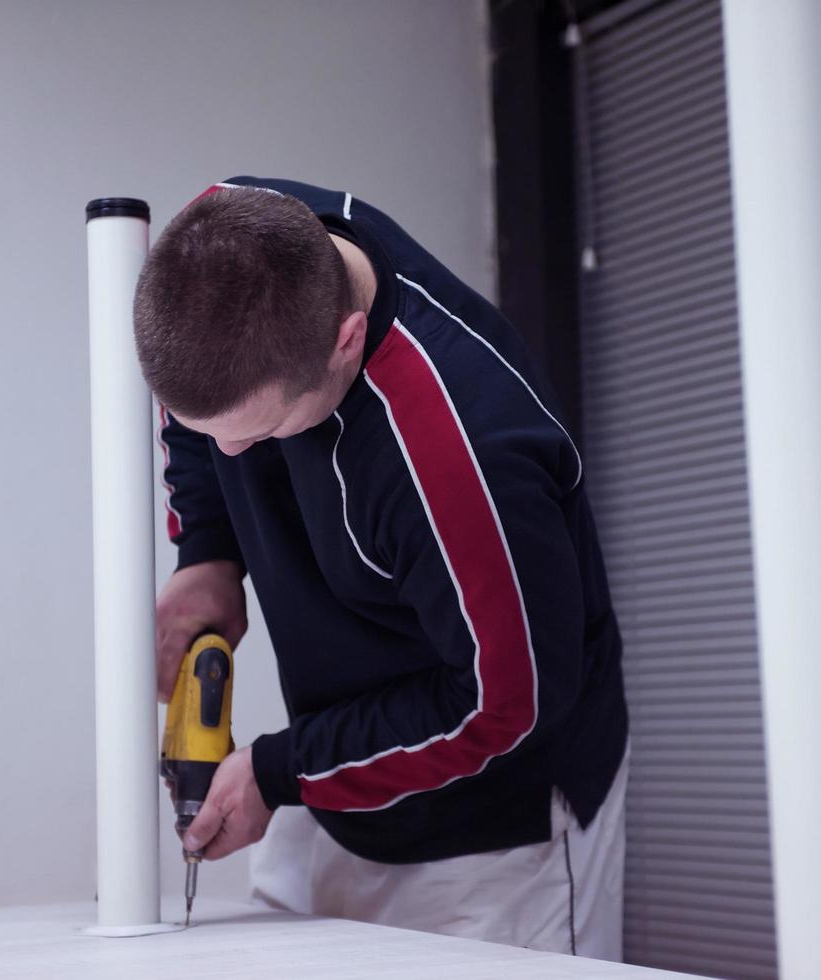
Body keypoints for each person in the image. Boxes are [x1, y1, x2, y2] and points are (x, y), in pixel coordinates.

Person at [134, 176, 629, 960]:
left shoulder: (462, 456)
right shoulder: (220, 240)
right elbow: (201, 427)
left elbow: (506, 705)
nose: (229, 455)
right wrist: (208, 554)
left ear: (346, 339)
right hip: (331, 774)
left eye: (257, 433)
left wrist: (282, 770)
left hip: (492, 830)